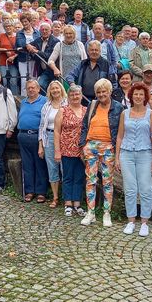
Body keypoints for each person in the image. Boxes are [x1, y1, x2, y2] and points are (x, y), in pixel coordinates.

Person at [78, 79, 124, 227]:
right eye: (98, 92)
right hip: (91, 146)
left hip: (108, 147)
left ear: (110, 91)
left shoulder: (118, 108)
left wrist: (118, 152)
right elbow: (84, 126)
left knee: (107, 181)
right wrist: (83, 145)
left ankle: (106, 213)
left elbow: (120, 132)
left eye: (104, 91)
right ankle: (90, 212)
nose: (101, 94)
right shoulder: (92, 105)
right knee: (90, 180)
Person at [116, 83, 152, 237]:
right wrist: (117, 158)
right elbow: (120, 136)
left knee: (146, 188)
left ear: (145, 97)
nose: (138, 97)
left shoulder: (151, 114)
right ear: (131, 96)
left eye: (141, 94)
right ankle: (131, 220)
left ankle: (145, 222)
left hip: (145, 153)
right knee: (130, 188)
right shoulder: (124, 114)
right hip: (126, 154)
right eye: (135, 94)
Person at [54, 85, 87, 217]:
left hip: (82, 151)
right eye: (72, 94)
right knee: (68, 177)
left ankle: (77, 204)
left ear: (81, 95)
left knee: (79, 177)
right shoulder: (63, 111)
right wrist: (57, 151)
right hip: (66, 149)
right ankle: (68, 203)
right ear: (68, 96)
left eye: (77, 94)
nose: (75, 96)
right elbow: (56, 131)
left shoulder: (86, 110)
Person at [17, 80, 49, 201]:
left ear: (38, 89)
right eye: (28, 88)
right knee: (27, 165)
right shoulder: (24, 101)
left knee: (40, 164)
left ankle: (41, 192)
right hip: (23, 135)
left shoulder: (44, 101)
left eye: (33, 88)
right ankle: (29, 191)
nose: (30, 90)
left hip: (37, 136)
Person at [39, 81, 66, 207]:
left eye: (57, 88)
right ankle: (55, 197)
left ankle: (67, 197)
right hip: (49, 137)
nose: (55, 90)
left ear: (61, 89)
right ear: (49, 91)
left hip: (64, 137)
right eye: (52, 89)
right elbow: (41, 126)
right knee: (52, 167)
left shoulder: (67, 103)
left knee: (64, 168)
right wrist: (40, 145)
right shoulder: (46, 106)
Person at [27, 22, 60, 91]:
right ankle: (44, 101)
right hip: (42, 70)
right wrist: (28, 45)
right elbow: (27, 46)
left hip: (53, 70)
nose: (44, 31)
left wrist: (37, 51)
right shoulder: (38, 40)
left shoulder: (56, 41)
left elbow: (49, 55)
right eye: (42, 30)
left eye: (46, 30)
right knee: (40, 86)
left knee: (53, 88)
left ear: (50, 31)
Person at [17, 14, 40, 96]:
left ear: (30, 21)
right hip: (23, 59)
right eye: (22, 22)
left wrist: (30, 46)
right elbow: (19, 43)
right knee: (24, 81)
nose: (24, 23)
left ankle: (34, 97)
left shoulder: (37, 32)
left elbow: (39, 44)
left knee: (34, 80)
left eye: (26, 21)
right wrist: (27, 45)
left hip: (34, 59)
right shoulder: (19, 33)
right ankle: (24, 98)